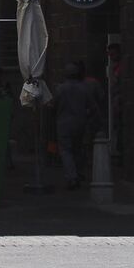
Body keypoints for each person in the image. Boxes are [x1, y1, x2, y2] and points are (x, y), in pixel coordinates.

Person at [49, 60, 102, 189]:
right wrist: (87, 117)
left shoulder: (60, 89)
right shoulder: (84, 88)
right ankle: (79, 173)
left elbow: (53, 106)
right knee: (78, 149)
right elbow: (94, 107)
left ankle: (72, 177)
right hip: (80, 122)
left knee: (66, 151)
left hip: (63, 123)